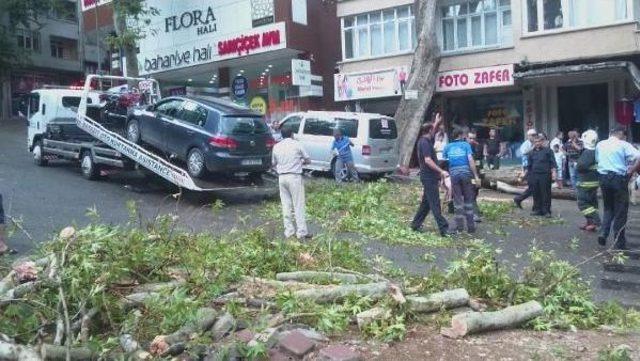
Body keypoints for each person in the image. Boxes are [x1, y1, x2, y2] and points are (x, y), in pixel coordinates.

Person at [595, 127, 640, 250]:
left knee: (608, 207)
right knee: (621, 211)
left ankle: (603, 233)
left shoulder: (600, 144)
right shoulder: (623, 144)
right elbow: (639, 156)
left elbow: (598, 160)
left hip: (603, 178)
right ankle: (619, 242)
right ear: (621, 135)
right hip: (618, 179)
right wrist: (632, 169)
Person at [411, 114, 451, 237]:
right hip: (428, 177)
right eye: (433, 130)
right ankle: (444, 229)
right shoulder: (424, 143)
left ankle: (415, 225)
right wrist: (441, 171)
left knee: (426, 203)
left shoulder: (425, 140)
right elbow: (428, 160)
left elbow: (432, 130)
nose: (435, 132)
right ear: (428, 131)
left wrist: (436, 122)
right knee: (435, 203)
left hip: (429, 177)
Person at [272, 127, 312, 240]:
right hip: (294, 177)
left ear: (281, 135)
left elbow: (273, 163)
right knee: (298, 205)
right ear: (292, 134)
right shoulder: (297, 144)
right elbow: (308, 160)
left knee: (286, 205)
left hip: (282, 177)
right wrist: (301, 162)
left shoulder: (276, 146)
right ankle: (302, 231)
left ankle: (289, 231)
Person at [443, 128, 481, 233]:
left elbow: (444, 162)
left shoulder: (447, 147)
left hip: (454, 175)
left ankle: (459, 226)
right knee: (468, 200)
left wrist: (444, 177)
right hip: (465, 174)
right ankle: (471, 227)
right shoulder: (466, 145)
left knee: (458, 201)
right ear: (460, 135)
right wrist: (475, 175)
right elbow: (470, 160)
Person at [576, 130, 601, 232]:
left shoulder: (587, 152)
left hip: (585, 182)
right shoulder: (596, 151)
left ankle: (596, 221)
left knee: (583, 203)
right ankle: (590, 223)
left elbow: (581, 166)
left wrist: (577, 164)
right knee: (592, 203)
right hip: (593, 182)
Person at [528, 134, 557, 218]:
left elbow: (553, 163)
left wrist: (554, 173)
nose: (537, 143)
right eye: (535, 141)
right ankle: (537, 210)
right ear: (533, 142)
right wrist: (527, 175)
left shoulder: (548, 151)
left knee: (545, 193)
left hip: (545, 175)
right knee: (536, 193)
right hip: (534, 175)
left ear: (542, 142)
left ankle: (546, 211)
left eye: (539, 141)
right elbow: (529, 165)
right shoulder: (531, 152)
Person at [513, 129, 538, 209]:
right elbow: (524, 152)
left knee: (533, 187)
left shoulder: (535, 143)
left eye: (535, 135)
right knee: (532, 186)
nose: (534, 136)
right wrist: (534, 147)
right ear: (528, 136)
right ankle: (519, 199)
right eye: (533, 135)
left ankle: (519, 199)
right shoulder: (525, 144)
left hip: (534, 166)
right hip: (527, 167)